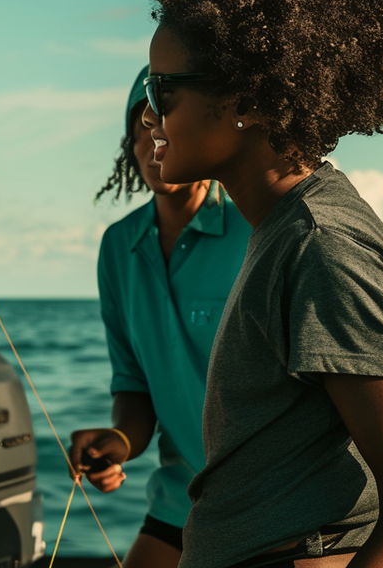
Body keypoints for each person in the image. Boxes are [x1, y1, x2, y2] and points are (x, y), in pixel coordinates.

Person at [140, 0, 383, 568]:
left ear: (249, 100)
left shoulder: (322, 245)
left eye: (163, 89)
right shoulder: (285, 230)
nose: (149, 113)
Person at [68, 65, 249, 567]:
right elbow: (134, 383)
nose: (153, 143)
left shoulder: (253, 229)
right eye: (141, 130)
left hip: (271, 510)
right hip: (181, 500)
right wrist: (120, 441)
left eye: (165, 126)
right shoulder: (118, 247)